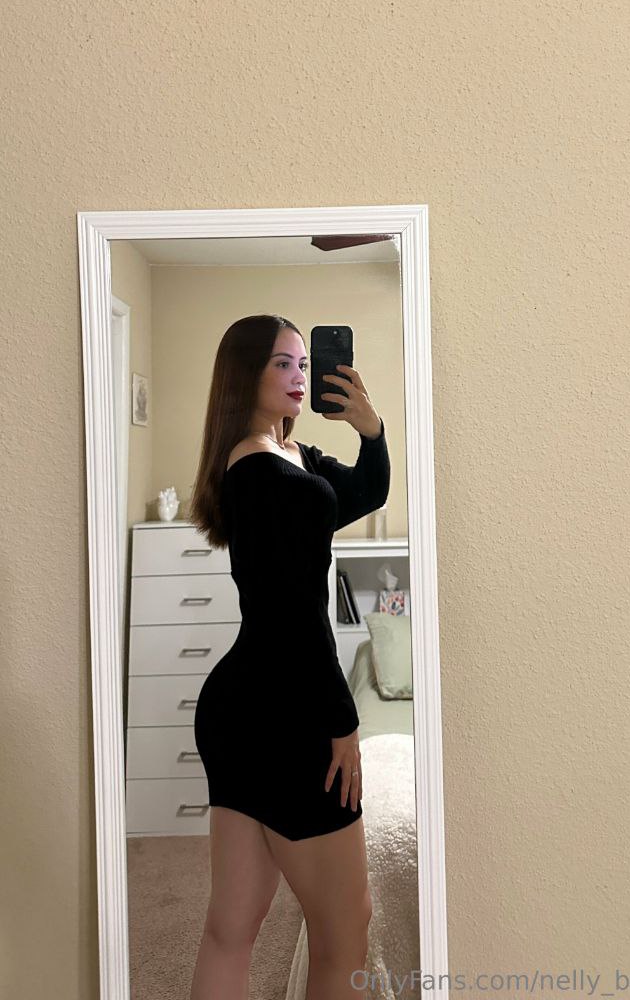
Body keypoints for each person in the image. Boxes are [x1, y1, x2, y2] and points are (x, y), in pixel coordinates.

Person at [188, 314, 391, 1000]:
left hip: (243, 707)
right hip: (285, 714)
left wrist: (370, 430)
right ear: (245, 374)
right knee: (346, 928)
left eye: (304, 363)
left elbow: (366, 492)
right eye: (283, 363)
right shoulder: (263, 473)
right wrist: (342, 723)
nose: (300, 376)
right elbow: (295, 616)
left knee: (231, 928)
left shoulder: (290, 458)